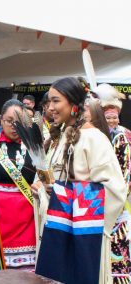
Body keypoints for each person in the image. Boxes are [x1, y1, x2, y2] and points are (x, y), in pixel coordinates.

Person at [32, 77, 127, 284]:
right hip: (61, 231)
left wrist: (63, 193)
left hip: (84, 234)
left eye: (56, 101)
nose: (51, 107)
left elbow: (115, 190)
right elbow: (58, 182)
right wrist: (45, 189)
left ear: (74, 103)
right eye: (48, 101)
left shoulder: (95, 138)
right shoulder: (64, 136)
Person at [91, 83, 131, 283]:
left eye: (115, 116)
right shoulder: (98, 137)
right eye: (108, 117)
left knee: (118, 250)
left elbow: (124, 173)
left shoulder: (123, 136)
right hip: (100, 202)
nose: (113, 120)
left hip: (117, 201)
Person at [0, 99, 37, 268]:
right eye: (9, 121)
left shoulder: (35, 147)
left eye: (19, 122)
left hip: (27, 219)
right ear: (0, 119)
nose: (14, 126)